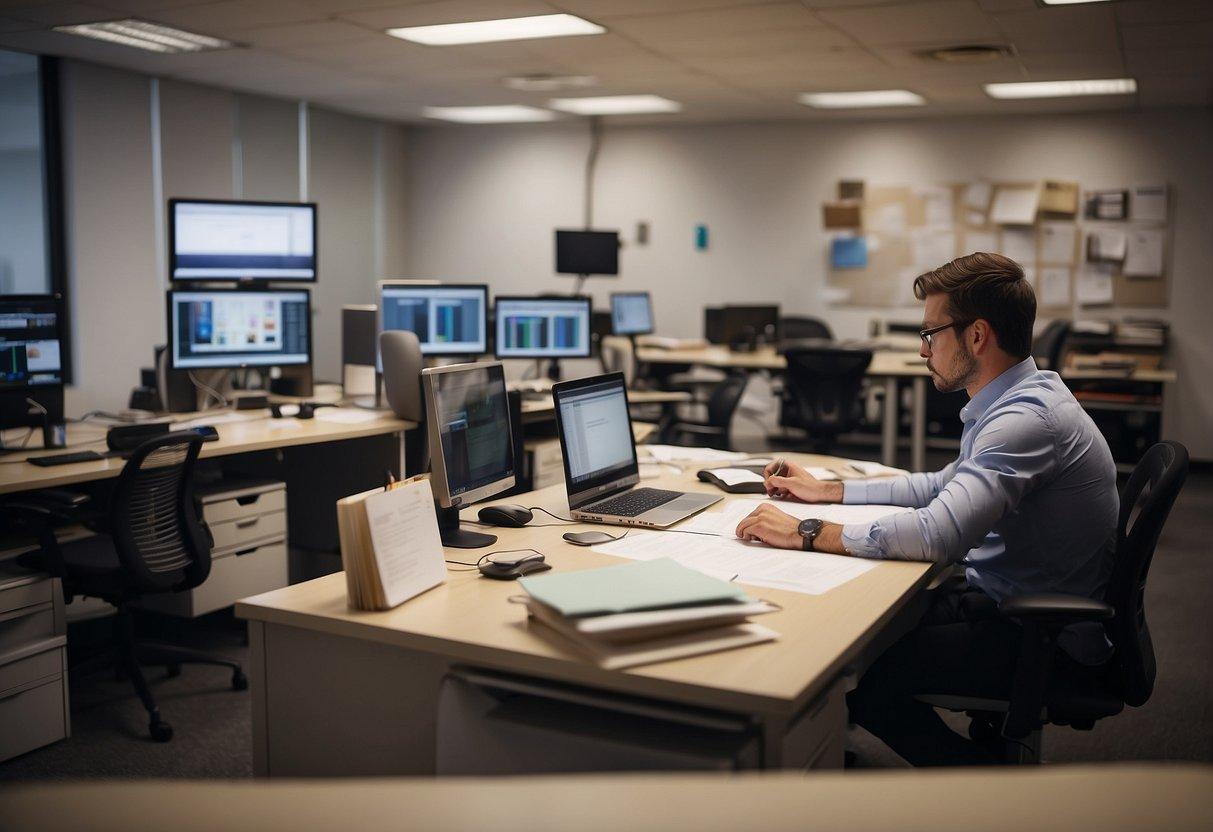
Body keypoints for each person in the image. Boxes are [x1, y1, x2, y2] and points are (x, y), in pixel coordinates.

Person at [735, 252, 1118, 765]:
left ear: (976, 336)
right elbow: (942, 484)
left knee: (859, 673)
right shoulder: (1018, 398)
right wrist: (829, 492)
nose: (922, 350)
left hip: (1037, 634)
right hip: (1011, 595)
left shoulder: (1025, 421)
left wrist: (805, 530)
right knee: (868, 626)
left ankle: (982, 784)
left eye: (930, 333)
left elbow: (937, 534)